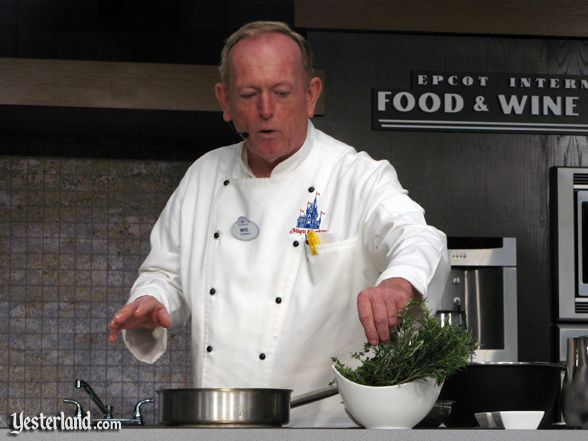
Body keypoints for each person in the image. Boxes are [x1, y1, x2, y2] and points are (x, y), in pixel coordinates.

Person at [108, 20, 449, 427]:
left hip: (327, 430)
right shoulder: (203, 177)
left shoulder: (355, 176)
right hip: (219, 425)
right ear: (225, 101)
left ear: (311, 94)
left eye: (282, 93)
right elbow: (166, 271)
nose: (266, 110)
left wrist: (398, 284)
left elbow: (417, 236)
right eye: (249, 95)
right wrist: (153, 299)